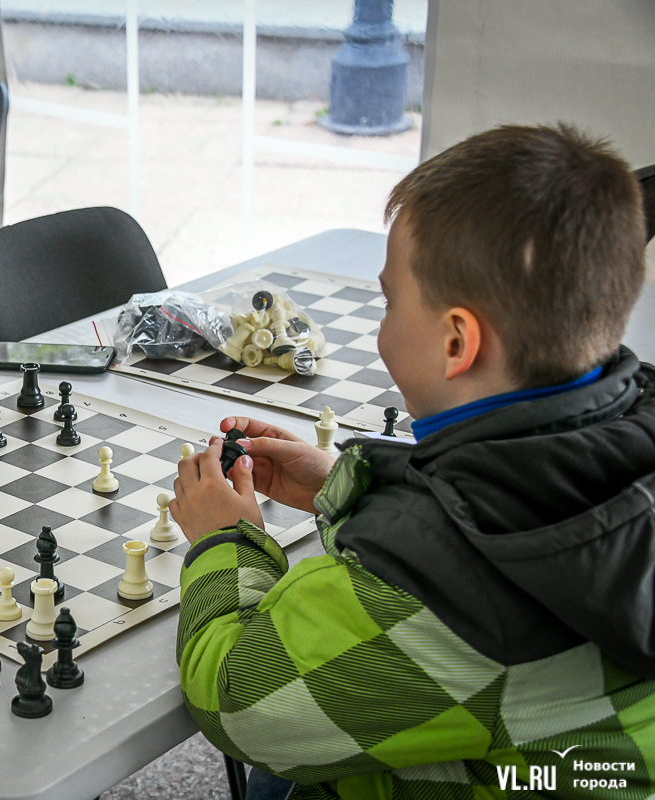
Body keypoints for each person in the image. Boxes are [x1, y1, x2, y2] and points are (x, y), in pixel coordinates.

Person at [171, 124, 654, 800]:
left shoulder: (441, 594)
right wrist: (351, 486)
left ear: (457, 341)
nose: (383, 325)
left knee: (276, 777)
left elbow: (238, 706)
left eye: (391, 301)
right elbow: (492, 503)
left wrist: (227, 543)